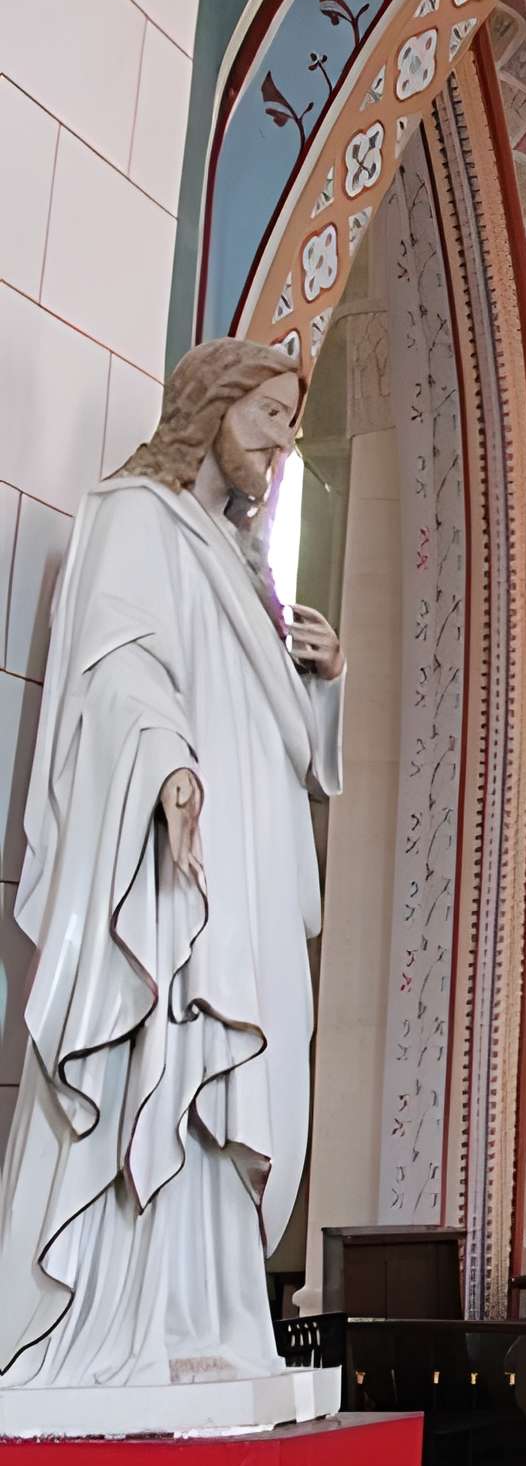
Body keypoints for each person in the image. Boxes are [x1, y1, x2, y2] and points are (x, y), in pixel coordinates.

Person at [0, 339, 349, 1400]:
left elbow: (279, 738)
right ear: (215, 403)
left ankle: (214, 1311)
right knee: (173, 1059)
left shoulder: (242, 561)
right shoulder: (135, 517)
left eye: (293, 420)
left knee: (237, 1079)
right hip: (182, 862)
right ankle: (129, 1310)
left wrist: (323, 682)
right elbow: (118, 668)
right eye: (274, 415)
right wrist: (166, 771)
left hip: (246, 866)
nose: (285, 442)